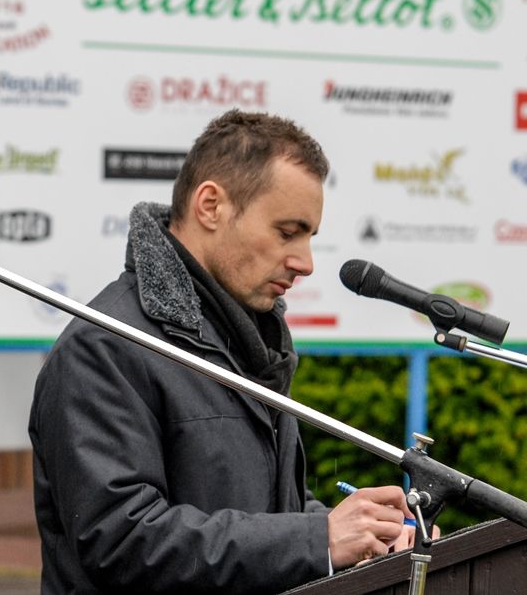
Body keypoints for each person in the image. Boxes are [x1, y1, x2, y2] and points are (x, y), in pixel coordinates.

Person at [29, 109, 416, 594]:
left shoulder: (246, 338)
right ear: (210, 205)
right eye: (287, 231)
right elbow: (122, 541)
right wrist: (317, 539)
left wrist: (364, 537)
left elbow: (268, 514)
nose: (306, 263)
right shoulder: (104, 347)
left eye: (309, 236)